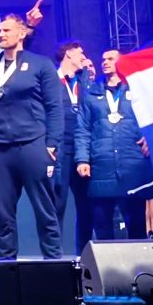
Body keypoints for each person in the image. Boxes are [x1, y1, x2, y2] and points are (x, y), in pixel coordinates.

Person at [0, 14, 63, 260]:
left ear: (22, 34)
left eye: (7, 30)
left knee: (44, 209)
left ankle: (54, 264)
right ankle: (7, 268)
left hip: (32, 144)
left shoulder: (40, 64)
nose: (1, 34)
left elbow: (55, 107)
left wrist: (52, 144)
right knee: (3, 215)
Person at [74, 50, 153, 243]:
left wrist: (151, 138)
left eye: (110, 59)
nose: (105, 62)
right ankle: (105, 263)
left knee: (136, 224)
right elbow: (82, 128)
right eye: (103, 59)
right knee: (102, 225)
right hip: (101, 165)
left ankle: (138, 261)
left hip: (133, 163)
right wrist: (82, 159)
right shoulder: (91, 93)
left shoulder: (137, 89)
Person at [54, 40, 92, 252]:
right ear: (68, 54)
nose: (84, 57)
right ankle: (53, 257)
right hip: (59, 151)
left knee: (86, 207)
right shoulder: (50, 80)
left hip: (83, 152)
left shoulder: (86, 81)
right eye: (80, 53)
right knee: (56, 206)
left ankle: (84, 256)